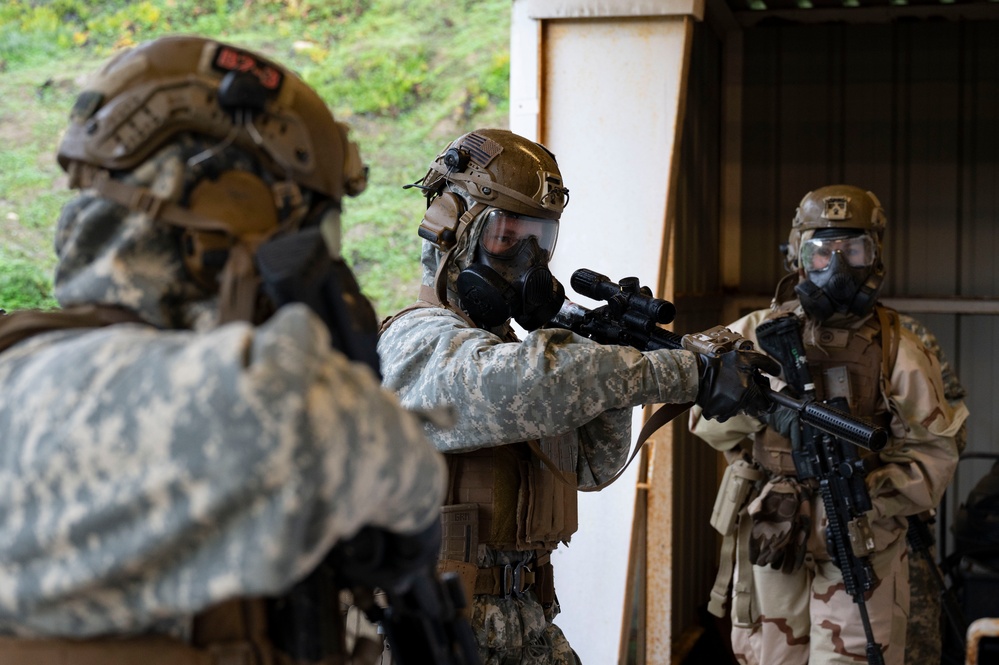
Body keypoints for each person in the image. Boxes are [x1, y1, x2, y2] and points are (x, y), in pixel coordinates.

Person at [0, 35, 448, 664]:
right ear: (232, 210)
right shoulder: (259, 399)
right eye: (310, 232)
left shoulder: (19, 370)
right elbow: (371, 450)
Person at [377, 127, 782, 664]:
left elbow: (592, 465)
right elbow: (529, 383)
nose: (528, 261)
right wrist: (683, 374)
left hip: (524, 622)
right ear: (452, 230)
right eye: (506, 237)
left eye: (540, 241)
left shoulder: (523, 358)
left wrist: (606, 354)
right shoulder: (415, 344)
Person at [689, 184, 968, 665]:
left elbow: (933, 451)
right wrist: (759, 404)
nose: (836, 267)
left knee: (856, 655)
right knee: (769, 656)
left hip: (862, 534)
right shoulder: (756, 332)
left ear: (875, 256)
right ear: (796, 255)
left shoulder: (899, 343)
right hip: (775, 531)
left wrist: (872, 499)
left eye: (853, 250)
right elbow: (706, 424)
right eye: (821, 250)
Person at [898, 314, 968, 665]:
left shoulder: (907, 335)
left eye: (851, 252)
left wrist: (896, 467)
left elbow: (953, 427)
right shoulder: (773, 332)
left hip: (898, 523)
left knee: (915, 645)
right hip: (801, 530)